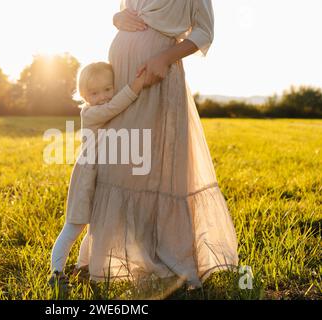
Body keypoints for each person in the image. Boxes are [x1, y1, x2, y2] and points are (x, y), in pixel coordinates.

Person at [82, 0, 239, 289]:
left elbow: (204, 31)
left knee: (155, 165)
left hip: (158, 77)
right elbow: (127, 11)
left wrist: (165, 57)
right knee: (120, 164)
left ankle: (163, 254)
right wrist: (118, 18)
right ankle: (115, 255)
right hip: (121, 78)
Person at [48, 62, 146, 290]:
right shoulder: (91, 113)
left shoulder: (104, 108)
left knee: (96, 227)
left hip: (102, 178)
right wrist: (135, 86)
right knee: (74, 226)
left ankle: (82, 267)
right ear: (84, 95)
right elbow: (112, 109)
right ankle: (56, 273)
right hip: (86, 177)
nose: (102, 97)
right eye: (94, 93)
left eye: (107, 89)